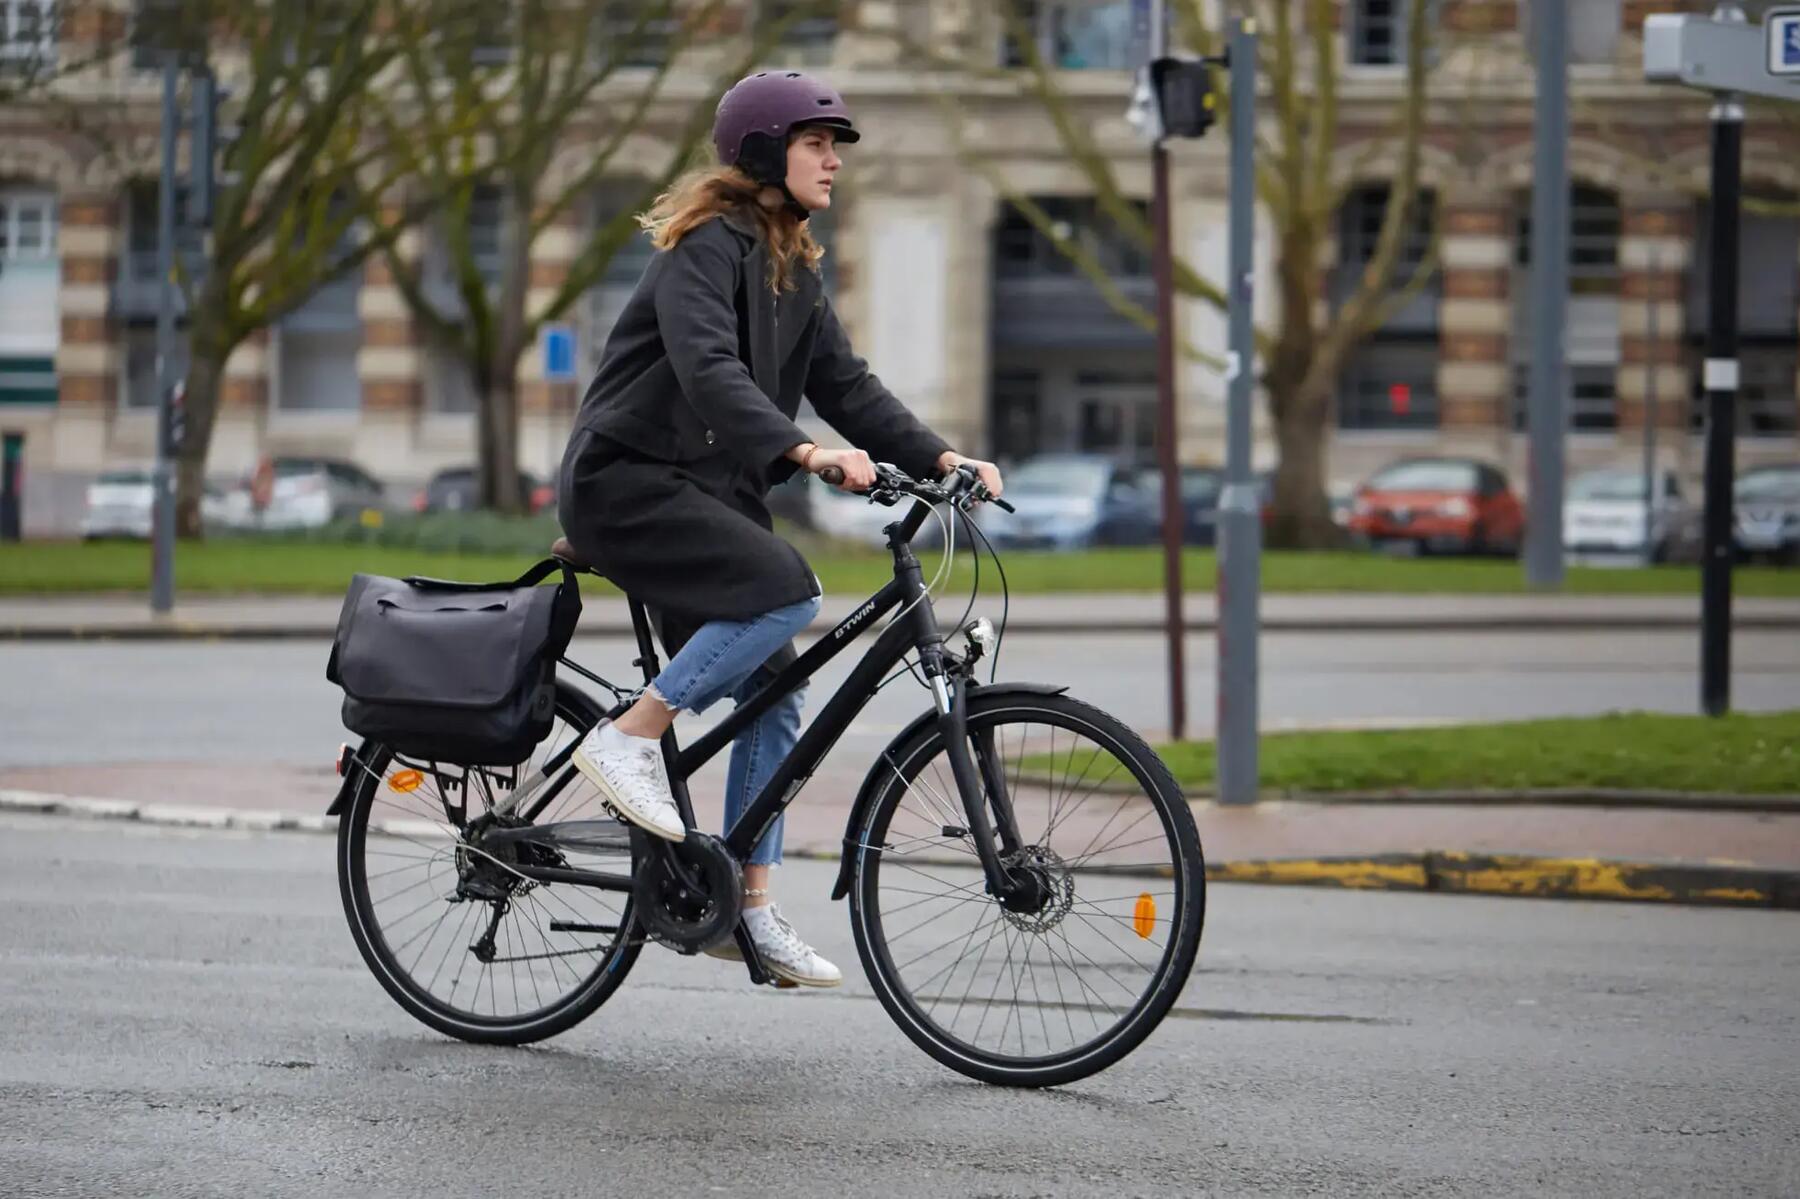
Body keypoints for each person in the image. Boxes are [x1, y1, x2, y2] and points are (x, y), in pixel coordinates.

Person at [556, 70, 1003, 988]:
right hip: (628, 484)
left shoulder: (788, 263)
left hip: (704, 493)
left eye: (834, 146)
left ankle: (748, 913)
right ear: (766, 153)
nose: (833, 161)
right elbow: (710, 369)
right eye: (816, 144)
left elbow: (848, 385)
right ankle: (629, 737)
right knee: (789, 587)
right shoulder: (704, 248)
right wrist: (806, 455)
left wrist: (944, 457)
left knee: (778, 684)